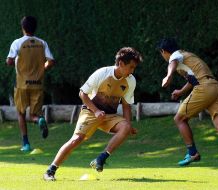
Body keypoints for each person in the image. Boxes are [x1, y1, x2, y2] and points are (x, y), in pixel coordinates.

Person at [43, 47, 143, 181]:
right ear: (121, 64)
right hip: (90, 111)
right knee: (76, 139)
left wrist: (129, 125)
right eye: (131, 67)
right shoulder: (102, 73)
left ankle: (100, 159)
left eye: (134, 68)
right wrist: (96, 111)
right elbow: (82, 93)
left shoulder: (131, 80)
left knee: (125, 127)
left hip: (109, 116)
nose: (132, 71)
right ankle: (50, 171)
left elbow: (126, 104)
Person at [156, 38, 218, 166]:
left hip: (205, 88)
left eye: (161, 53)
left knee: (179, 119)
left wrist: (168, 76)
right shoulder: (189, 56)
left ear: (163, 51)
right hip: (217, 88)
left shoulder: (176, 55)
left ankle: (192, 153)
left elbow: (172, 62)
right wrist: (181, 91)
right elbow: (192, 78)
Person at [6, 16, 55, 152]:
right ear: (35, 28)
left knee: (21, 113)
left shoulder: (17, 43)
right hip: (38, 84)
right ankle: (39, 120)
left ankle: (26, 144)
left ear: (22, 28)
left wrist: (12, 61)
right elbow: (51, 61)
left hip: (21, 84)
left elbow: (9, 61)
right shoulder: (42, 43)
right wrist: (42, 68)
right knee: (34, 114)